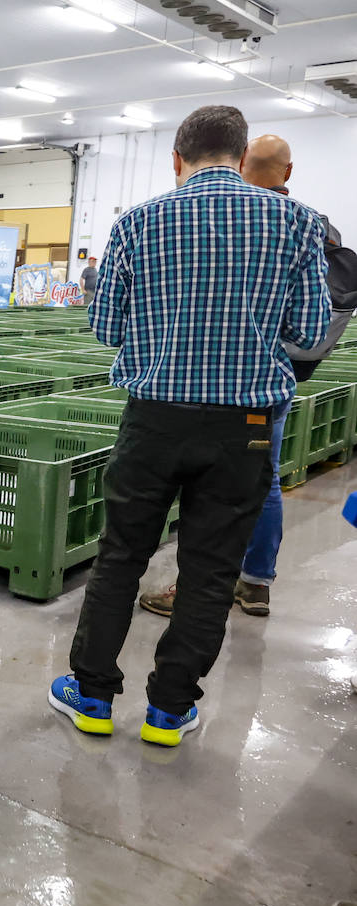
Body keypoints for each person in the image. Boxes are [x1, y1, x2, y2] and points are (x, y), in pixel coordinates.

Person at [47, 106, 330, 747]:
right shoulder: (297, 222)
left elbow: (106, 328)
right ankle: (169, 712)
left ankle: (92, 697)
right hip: (245, 426)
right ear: (242, 156)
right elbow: (311, 331)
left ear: (176, 158)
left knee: (122, 555)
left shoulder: (137, 222)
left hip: (154, 421)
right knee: (210, 570)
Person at [140, 133, 354, 619]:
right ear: (288, 172)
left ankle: (194, 588)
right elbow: (311, 325)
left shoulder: (213, 218)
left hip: (204, 382)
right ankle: (255, 583)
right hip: (272, 381)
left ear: (237, 163)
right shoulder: (309, 225)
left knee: (203, 485)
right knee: (262, 479)